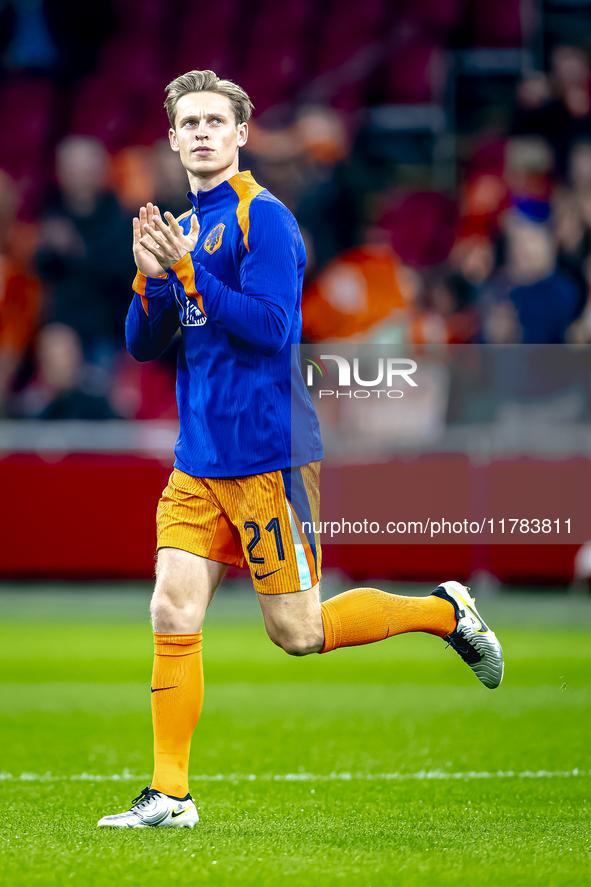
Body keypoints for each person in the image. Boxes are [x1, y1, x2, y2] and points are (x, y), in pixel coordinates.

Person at [97, 70, 504, 830]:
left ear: (242, 134)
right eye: (189, 123)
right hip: (199, 458)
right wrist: (152, 282)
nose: (203, 132)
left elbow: (272, 327)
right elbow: (145, 344)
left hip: (267, 455)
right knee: (170, 604)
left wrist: (184, 273)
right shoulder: (180, 226)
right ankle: (170, 793)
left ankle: (445, 613)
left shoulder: (267, 219)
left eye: (217, 120)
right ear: (173, 137)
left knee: (298, 632)